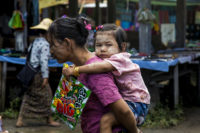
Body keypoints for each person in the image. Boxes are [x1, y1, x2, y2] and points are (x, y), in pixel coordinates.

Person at [48, 17, 138, 133]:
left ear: (67, 43)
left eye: (52, 45)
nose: (50, 51)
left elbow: (124, 111)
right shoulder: (78, 68)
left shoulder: (95, 73)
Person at [16, 18, 60, 127]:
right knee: (47, 94)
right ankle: (49, 119)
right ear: (48, 34)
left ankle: (20, 120)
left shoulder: (35, 41)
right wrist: (46, 77)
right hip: (38, 74)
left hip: (31, 73)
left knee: (29, 95)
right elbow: (43, 61)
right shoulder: (45, 44)